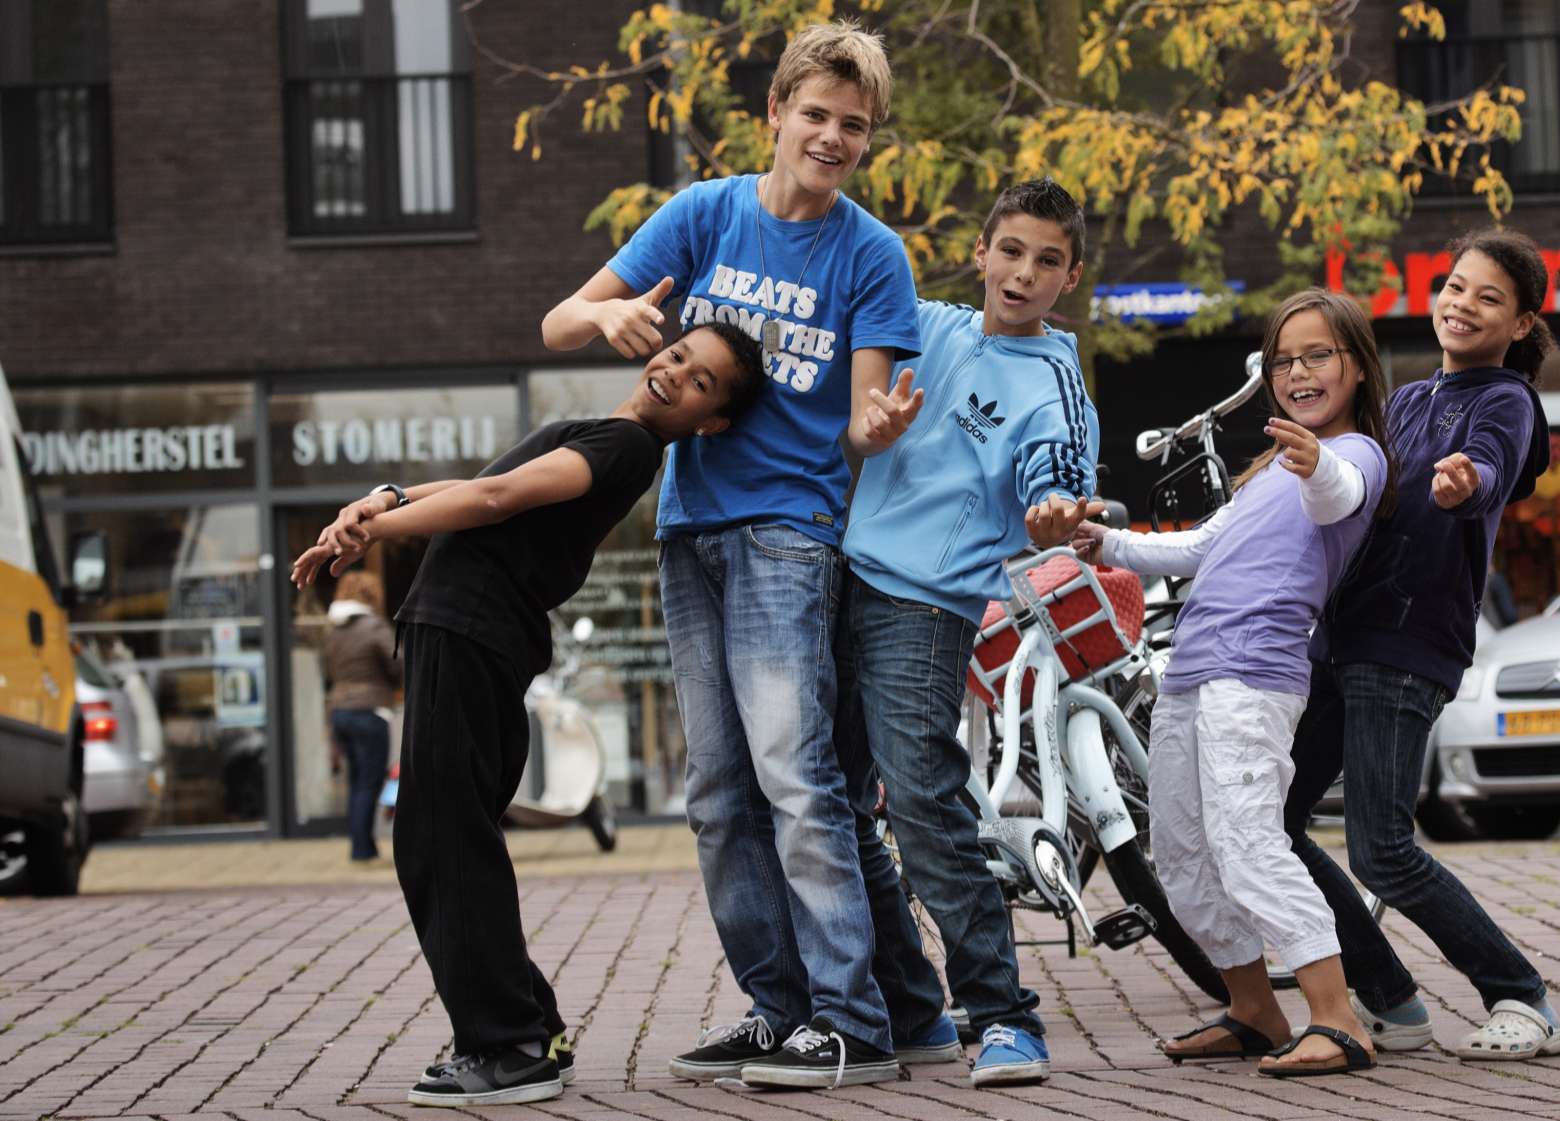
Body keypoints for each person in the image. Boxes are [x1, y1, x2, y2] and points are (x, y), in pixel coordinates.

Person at [542, 20, 930, 1090]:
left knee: (795, 779)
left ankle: (850, 1017)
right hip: (687, 530)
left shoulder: (871, 254)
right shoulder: (703, 212)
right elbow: (558, 323)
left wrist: (878, 431)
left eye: (854, 126)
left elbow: (857, 424)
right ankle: (778, 1008)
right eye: (816, 114)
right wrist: (615, 308)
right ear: (776, 114)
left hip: (788, 538)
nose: (833, 137)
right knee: (715, 789)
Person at [291, 323, 765, 1108]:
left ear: (709, 423)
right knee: (447, 836)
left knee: (443, 840)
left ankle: (510, 1044)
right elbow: (476, 486)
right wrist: (384, 499)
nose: (676, 372)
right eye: (680, 354)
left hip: (474, 632)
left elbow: (493, 498)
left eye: (702, 382)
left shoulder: (627, 449)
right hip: (463, 632)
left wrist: (371, 527)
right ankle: (524, 1025)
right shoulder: (608, 431)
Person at [1074, 288, 1393, 1077]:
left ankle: (1337, 1018)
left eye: (1318, 355)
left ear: (1356, 366)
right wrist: (1101, 540)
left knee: (1250, 842)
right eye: (1284, 360)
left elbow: (1338, 496)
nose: (1299, 371)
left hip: (1254, 676)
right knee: (1181, 853)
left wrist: (1316, 463)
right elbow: (1193, 550)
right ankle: (1253, 1007)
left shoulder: (1353, 456)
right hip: (1193, 671)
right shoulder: (1266, 473)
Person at [834, 178, 1099, 1085]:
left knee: (921, 800)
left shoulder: (1053, 379)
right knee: (827, 800)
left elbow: (1052, 474)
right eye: (1012, 250)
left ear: (1069, 277)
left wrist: (1053, 509)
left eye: (1048, 260)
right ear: (980, 251)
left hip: (923, 605)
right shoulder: (930, 324)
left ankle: (1004, 1014)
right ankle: (911, 1007)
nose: (1024, 272)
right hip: (835, 576)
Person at [1283, 228, 1558, 1062]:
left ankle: (1518, 992)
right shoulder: (1406, 399)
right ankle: (1391, 997)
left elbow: (1491, 462)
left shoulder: (1504, 399)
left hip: (1406, 643)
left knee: (1382, 847)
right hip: (1344, 635)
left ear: (1517, 325)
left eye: (1487, 297)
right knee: (1270, 820)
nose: (1462, 303)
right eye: (1456, 285)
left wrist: (1464, 478)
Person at [323, 569, 401, 862]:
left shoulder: (332, 631)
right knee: (369, 781)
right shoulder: (373, 626)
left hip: (340, 710)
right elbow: (398, 663)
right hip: (369, 711)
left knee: (356, 780)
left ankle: (360, 844)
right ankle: (362, 850)